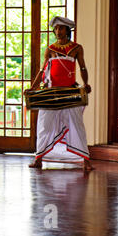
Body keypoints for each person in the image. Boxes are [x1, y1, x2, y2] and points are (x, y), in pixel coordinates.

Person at [25, 16, 94, 171]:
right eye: (56, 28)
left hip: (70, 91)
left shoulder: (77, 48)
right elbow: (42, 71)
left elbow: (82, 68)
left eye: (61, 28)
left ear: (67, 30)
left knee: (77, 125)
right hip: (50, 92)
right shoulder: (49, 49)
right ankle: (39, 159)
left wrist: (86, 83)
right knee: (44, 126)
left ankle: (86, 161)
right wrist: (33, 88)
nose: (58, 31)